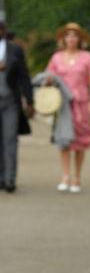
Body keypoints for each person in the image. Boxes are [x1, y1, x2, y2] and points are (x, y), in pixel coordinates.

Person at [45, 22, 90, 192]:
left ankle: (77, 176)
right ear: (63, 39)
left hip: (81, 103)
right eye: (68, 35)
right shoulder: (57, 57)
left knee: (80, 141)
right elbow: (48, 76)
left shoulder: (87, 57)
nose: (71, 39)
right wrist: (49, 81)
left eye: (74, 36)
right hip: (63, 104)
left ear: (80, 39)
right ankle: (65, 175)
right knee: (64, 139)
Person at [0, 20, 34, 193]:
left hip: (10, 101)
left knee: (10, 139)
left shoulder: (15, 50)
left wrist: (29, 100)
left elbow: (24, 76)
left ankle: (10, 179)